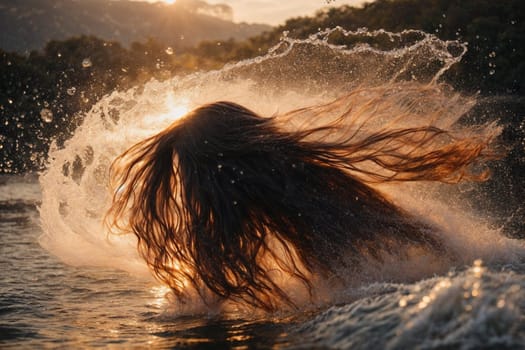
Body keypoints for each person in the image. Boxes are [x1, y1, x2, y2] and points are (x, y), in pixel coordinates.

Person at [106, 96, 497, 311]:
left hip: (384, 291)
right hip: (429, 277)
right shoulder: (298, 172)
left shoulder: (227, 213)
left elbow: (204, 299)